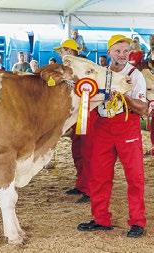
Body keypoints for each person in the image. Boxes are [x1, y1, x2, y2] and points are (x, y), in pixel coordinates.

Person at [78, 34, 147, 238]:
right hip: (102, 128)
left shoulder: (135, 75)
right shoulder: (101, 73)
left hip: (127, 126)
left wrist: (123, 95)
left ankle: (137, 221)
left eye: (126, 51)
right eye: (118, 50)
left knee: (135, 177)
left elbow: (143, 108)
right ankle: (101, 219)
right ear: (109, 52)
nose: (123, 55)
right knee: (99, 175)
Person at [54, 38, 94, 204]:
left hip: (86, 114)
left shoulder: (85, 67)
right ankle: (81, 183)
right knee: (77, 151)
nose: (62, 54)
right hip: (75, 114)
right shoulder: (66, 69)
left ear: (71, 52)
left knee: (86, 152)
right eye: (61, 52)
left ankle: (89, 188)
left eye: (64, 51)